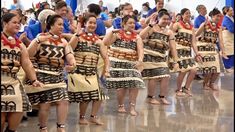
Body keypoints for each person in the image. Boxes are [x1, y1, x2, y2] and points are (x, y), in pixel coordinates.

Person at [25, 14, 76, 132]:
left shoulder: (63, 41)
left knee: (63, 100)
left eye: (63, 25)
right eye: (59, 24)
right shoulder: (40, 38)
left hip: (58, 77)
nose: (62, 27)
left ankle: (61, 128)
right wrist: (37, 41)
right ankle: (43, 128)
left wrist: (73, 63)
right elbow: (28, 54)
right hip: (42, 76)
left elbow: (69, 54)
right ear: (51, 25)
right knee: (45, 104)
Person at [1, 13, 42, 132]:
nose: (18, 25)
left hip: (13, 82)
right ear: (5, 23)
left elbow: (27, 63)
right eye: (14, 22)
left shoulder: (20, 45)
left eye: (19, 22)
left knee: (18, 109)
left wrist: (34, 79)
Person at [67, 13, 109, 125]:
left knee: (100, 94)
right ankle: (81, 117)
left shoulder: (99, 41)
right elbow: (69, 48)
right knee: (86, 95)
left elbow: (105, 57)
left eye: (94, 23)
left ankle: (93, 116)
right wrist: (77, 34)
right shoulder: (78, 37)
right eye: (90, 22)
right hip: (78, 72)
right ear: (84, 24)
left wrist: (106, 70)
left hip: (92, 72)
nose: (92, 25)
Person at [103, 15, 145, 116]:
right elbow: (105, 42)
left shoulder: (137, 37)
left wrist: (140, 60)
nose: (132, 25)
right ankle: (121, 105)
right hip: (117, 64)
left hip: (131, 64)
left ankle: (132, 107)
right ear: (123, 24)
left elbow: (140, 50)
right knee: (122, 86)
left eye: (134, 23)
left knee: (135, 83)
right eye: (130, 23)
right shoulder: (117, 34)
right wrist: (112, 32)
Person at [139, 9, 179, 105]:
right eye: (164, 19)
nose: (166, 21)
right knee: (153, 77)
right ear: (158, 18)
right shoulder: (152, 28)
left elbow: (173, 48)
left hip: (161, 58)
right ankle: (150, 97)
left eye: (168, 19)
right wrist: (150, 25)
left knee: (165, 76)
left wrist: (176, 61)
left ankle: (162, 97)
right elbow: (141, 36)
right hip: (148, 56)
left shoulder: (169, 32)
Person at [170, 8, 202, 97]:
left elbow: (193, 43)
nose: (188, 15)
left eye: (189, 13)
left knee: (194, 70)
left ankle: (186, 88)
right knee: (183, 71)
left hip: (187, 52)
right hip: (178, 51)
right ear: (182, 15)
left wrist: (197, 53)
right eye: (186, 13)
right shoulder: (177, 24)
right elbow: (169, 34)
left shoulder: (191, 28)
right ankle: (178, 89)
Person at [195, 8, 229, 90]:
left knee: (218, 69)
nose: (219, 18)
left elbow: (221, 41)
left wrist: (223, 51)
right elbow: (196, 34)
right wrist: (203, 26)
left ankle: (212, 83)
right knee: (209, 70)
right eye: (217, 16)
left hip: (213, 48)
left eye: (220, 16)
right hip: (203, 48)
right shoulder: (205, 24)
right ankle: (205, 84)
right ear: (212, 16)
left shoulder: (219, 28)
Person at [222, 6, 234, 72]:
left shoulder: (231, 17)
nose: (233, 12)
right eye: (231, 10)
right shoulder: (226, 19)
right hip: (227, 38)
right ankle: (227, 67)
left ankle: (229, 66)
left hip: (231, 38)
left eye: (233, 10)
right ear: (227, 11)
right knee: (228, 52)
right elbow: (231, 29)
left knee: (231, 52)